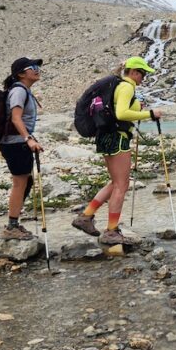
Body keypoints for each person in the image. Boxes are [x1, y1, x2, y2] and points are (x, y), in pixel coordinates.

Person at [71, 57, 161, 245]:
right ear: (134, 72)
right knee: (122, 185)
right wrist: (149, 114)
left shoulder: (117, 86)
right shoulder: (127, 87)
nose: (143, 78)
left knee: (115, 183)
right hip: (118, 138)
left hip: (105, 136)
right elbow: (121, 114)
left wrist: (139, 109)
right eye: (142, 74)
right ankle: (111, 231)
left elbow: (120, 111)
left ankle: (85, 217)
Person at [0, 57, 43, 240]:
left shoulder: (23, 90)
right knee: (20, 183)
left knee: (26, 181)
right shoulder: (18, 91)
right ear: (21, 74)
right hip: (15, 142)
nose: (37, 70)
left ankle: (14, 221)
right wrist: (28, 139)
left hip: (17, 141)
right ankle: (12, 226)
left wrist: (29, 138)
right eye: (32, 67)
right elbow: (16, 118)